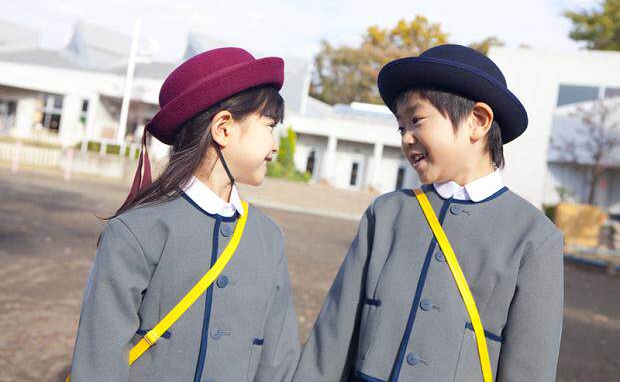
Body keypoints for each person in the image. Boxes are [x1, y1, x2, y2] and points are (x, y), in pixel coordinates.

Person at [293, 44, 564, 381]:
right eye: (401, 127)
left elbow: (531, 368)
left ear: (478, 121)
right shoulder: (386, 214)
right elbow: (331, 337)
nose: (406, 138)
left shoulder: (535, 238)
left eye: (416, 120)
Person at [69, 47, 300, 382]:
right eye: (269, 126)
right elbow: (98, 362)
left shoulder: (269, 238)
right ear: (223, 128)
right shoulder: (136, 232)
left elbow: (279, 360)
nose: (275, 145)